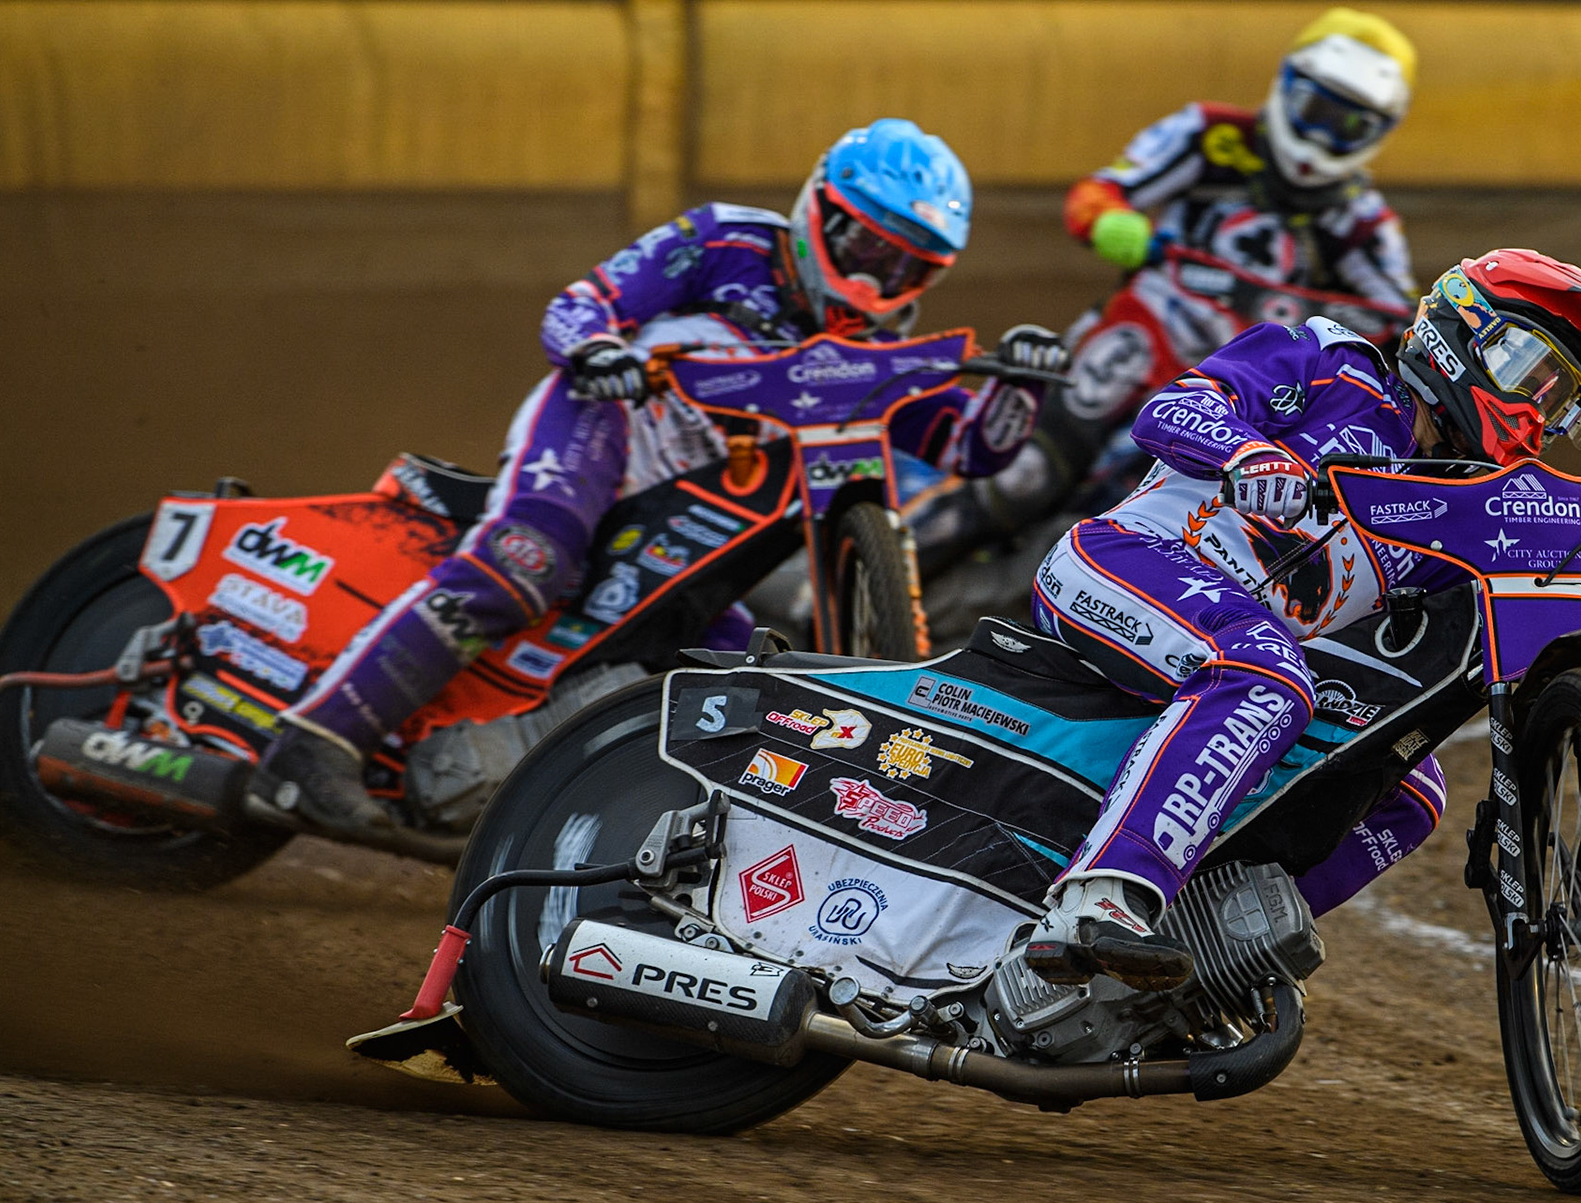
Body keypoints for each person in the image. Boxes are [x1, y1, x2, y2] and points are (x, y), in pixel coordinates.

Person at [252, 119, 1068, 835]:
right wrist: (598, 354)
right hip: (605, 428)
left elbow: (970, 449)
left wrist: (1021, 384)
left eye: (904, 268)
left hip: (696, 520)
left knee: (734, 686)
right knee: (526, 565)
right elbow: (582, 303)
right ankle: (314, 746)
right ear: (819, 207)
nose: (873, 279)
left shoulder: (880, 355)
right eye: (863, 246)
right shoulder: (723, 241)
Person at [1017, 248, 1581, 989]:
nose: (1537, 407)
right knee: (1265, 673)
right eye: (1530, 371)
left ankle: (1209, 953)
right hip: (1120, 562)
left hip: (1231, 641)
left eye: (1560, 399)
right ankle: (1099, 901)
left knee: (1408, 780)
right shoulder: (1330, 361)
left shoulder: (1467, 498)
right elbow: (1174, 406)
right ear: (1460, 331)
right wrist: (1249, 456)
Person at [906, 6, 1420, 578]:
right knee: (1024, 475)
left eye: (1350, 126)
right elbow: (1101, 190)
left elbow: (1403, 314)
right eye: (1316, 110)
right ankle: (876, 575)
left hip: (1237, 382)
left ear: (1379, 134)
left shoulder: (1364, 218)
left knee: (1165, 519)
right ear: (1286, 87)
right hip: (1145, 329)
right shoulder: (1212, 135)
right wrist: (1110, 221)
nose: (1323, 135)